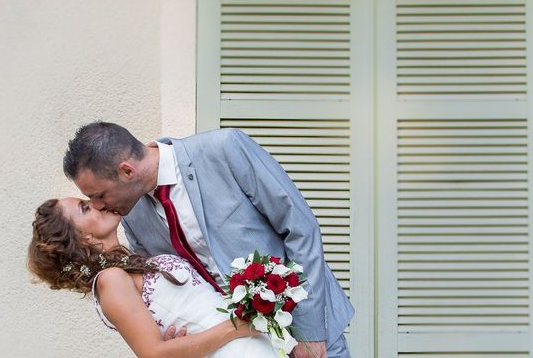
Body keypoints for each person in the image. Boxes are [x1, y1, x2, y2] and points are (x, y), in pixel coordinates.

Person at [63, 122, 354, 358]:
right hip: (237, 347)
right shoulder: (131, 213)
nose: (99, 206)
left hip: (306, 331)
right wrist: (177, 338)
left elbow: (301, 228)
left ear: (127, 171)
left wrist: (311, 332)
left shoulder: (224, 149)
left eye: (98, 195)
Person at [28, 197, 280, 358]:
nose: (96, 203)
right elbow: (153, 354)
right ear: (83, 238)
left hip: (249, 343)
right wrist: (236, 327)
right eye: (84, 208)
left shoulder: (132, 264)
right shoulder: (110, 280)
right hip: (235, 346)